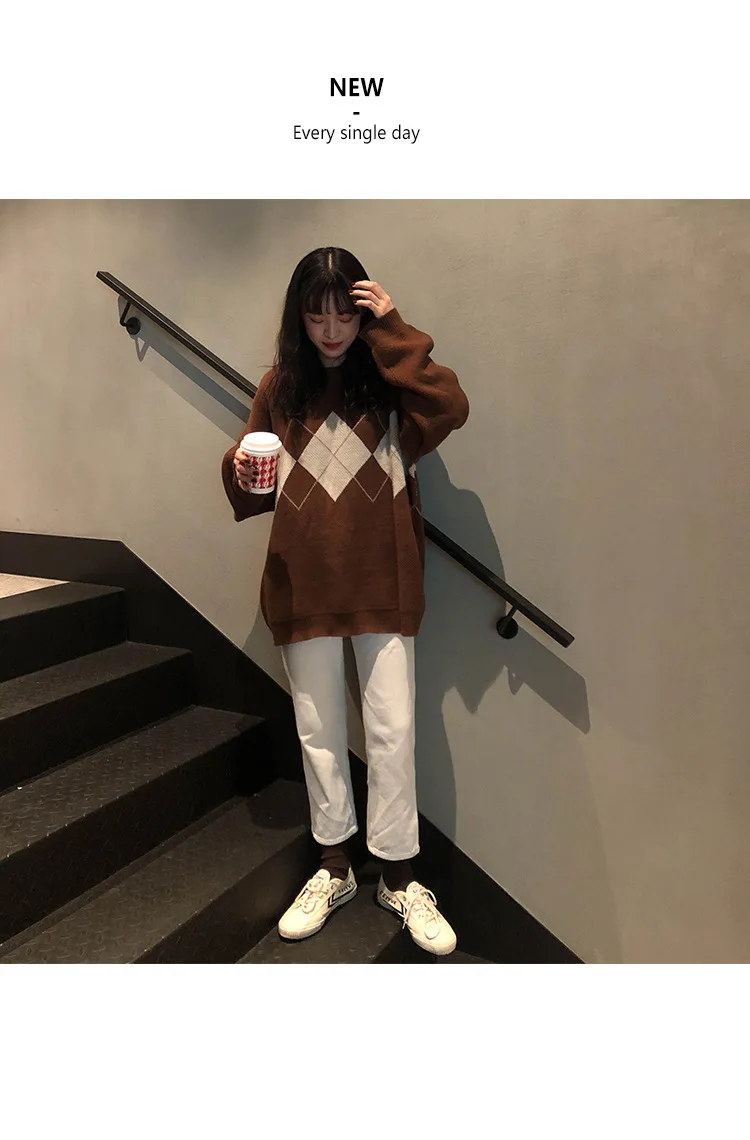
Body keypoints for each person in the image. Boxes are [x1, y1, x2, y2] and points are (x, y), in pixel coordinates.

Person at [220, 247, 469, 955]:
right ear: (298, 318)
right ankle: (334, 868)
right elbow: (252, 489)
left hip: (384, 582)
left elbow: (451, 406)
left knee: (393, 731)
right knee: (319, 732)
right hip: (301, 584)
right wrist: (239, 467)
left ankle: (400, 876)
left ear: (362, 315)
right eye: (316, 314)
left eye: (344, 314)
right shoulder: (280, 388)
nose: (331, 330)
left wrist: (393, 328)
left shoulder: (390, 384)